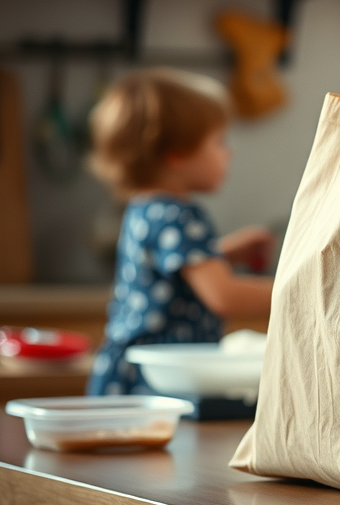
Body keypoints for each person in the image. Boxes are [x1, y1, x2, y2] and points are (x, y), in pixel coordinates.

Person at [86, 68, 273, 396]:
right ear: (177, 153)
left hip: (126, 370)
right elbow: (223, 296)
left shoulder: (146, 207)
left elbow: (173, 270)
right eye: (218, 142)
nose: (229, 152)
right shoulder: (178, 215)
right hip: (156, 379)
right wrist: (296, 288)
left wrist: (225, 252)